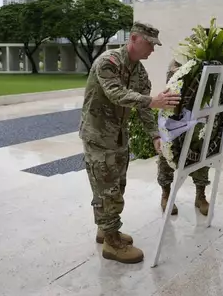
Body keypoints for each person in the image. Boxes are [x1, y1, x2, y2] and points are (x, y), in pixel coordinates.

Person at [79, 22, 180, 264]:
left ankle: (106, 229)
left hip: (118, 137)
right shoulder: (108, 62)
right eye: (149, 44)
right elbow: (116, 94)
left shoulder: (139, 72)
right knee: (106, 189)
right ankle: (112, 244)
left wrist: (155, 135)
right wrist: (152, 101)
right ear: (134, 38)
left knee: (117, 185)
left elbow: (145, 108)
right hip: (99, 136)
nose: (152, 51)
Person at [157, 58, 210, 217]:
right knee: (166, 155)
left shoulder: (201, 65)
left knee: (201, 152)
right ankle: (166, 195)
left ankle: (200, 196)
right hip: (174, 115)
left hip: (196, 115)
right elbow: (171, 85)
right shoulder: (177, 64)